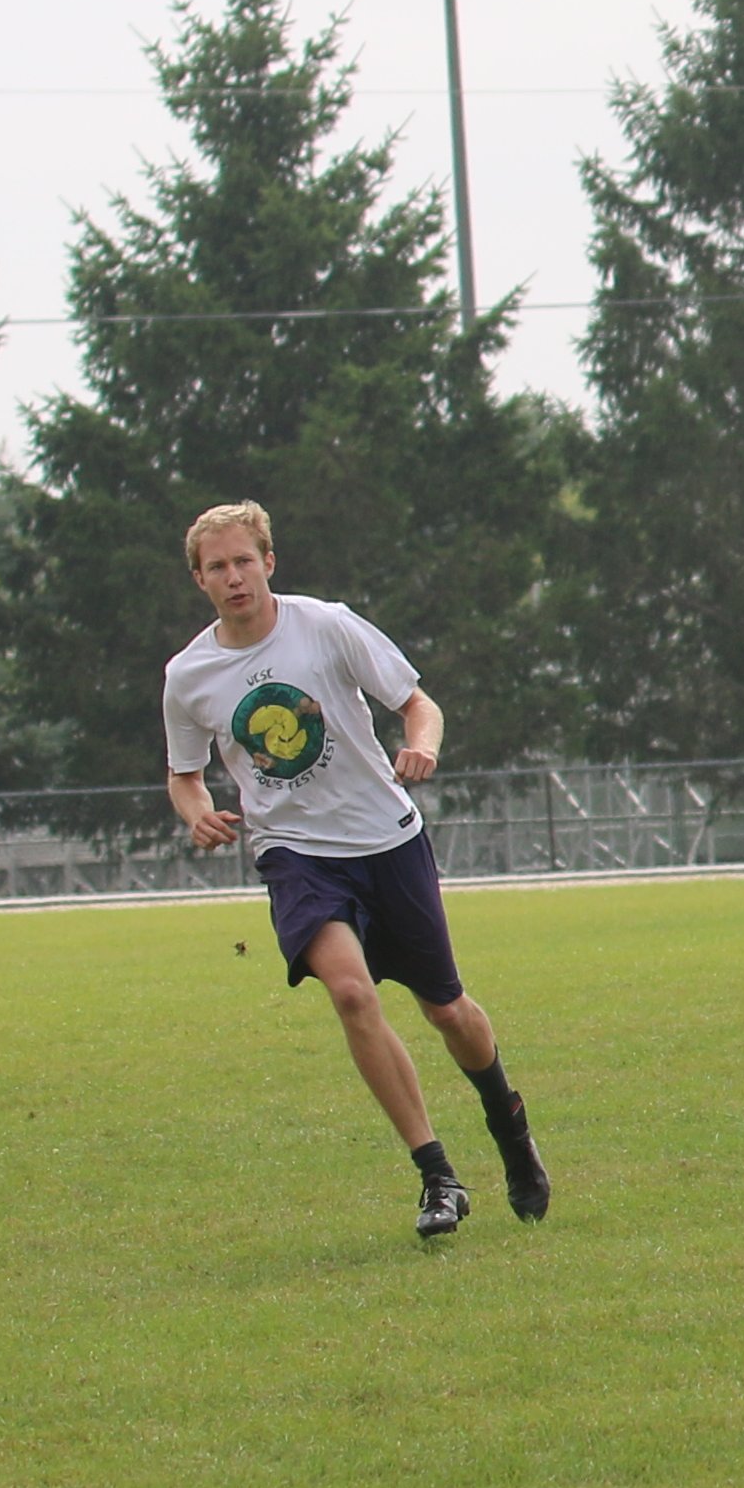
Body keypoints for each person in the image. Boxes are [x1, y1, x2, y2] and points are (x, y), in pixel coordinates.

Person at [160, 501, 549, 1241]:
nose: (233, 577)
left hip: (385, 840)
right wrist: (196, 811)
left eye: (243, 561)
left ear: (268, 563)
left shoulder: (327, 624)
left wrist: (423, 745)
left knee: (447, 1011)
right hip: (295, 854)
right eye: (217, 567)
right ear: (199, 580)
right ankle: (437, 1175)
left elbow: (417, 702)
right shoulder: (188, 674)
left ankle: (509, 1126)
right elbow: (184, 774)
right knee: (350, 992)